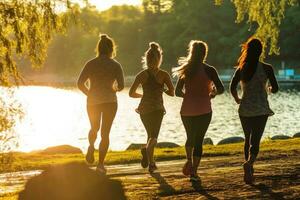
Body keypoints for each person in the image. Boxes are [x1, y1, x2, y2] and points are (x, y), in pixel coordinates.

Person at [173, 40, 224, 182]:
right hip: (204, 109)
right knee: (199, 140)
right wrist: (212, 94)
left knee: (190, 136)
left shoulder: (185, 69)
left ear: (192, 52)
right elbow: (221, 88)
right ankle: (194, 172)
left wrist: (189, 96)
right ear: (204, 54)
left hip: (187, 110)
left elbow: (177, 92)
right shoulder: (210, 70)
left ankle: (188, 159)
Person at [230, 38, 279, 184]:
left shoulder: (242, 69)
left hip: (245, 109)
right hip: (261, 109)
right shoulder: (267, 68)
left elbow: (232, 87)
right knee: (255, 140)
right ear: (261, 51)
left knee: (248, 138)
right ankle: (250, 163)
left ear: (248, 50)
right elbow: (275, 88)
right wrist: (268, 89)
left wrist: (237, 99)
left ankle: (249, 171)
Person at [77, 34, 124, 174]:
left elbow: (80, 83)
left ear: (99, 48)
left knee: (94, 127)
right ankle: (101, 164)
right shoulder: (115, 65)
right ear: (111, 49)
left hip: (93, 102)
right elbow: (121, 86)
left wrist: (89, 93)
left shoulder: (91, 64)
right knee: (105, 133)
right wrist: (114, 88)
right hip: (110, 101)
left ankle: (91, 145)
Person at [129, 42, 174, 173]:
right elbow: (172, 93)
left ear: (147, 59)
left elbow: (131, 93)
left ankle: (149, 158)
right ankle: (148, 157)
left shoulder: (141, 75)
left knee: (150, 135)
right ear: (159, 59)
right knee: (153, 137)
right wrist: (163, 89)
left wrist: (142, 96)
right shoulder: (164, 75)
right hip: (158, 109)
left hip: (144, 110)